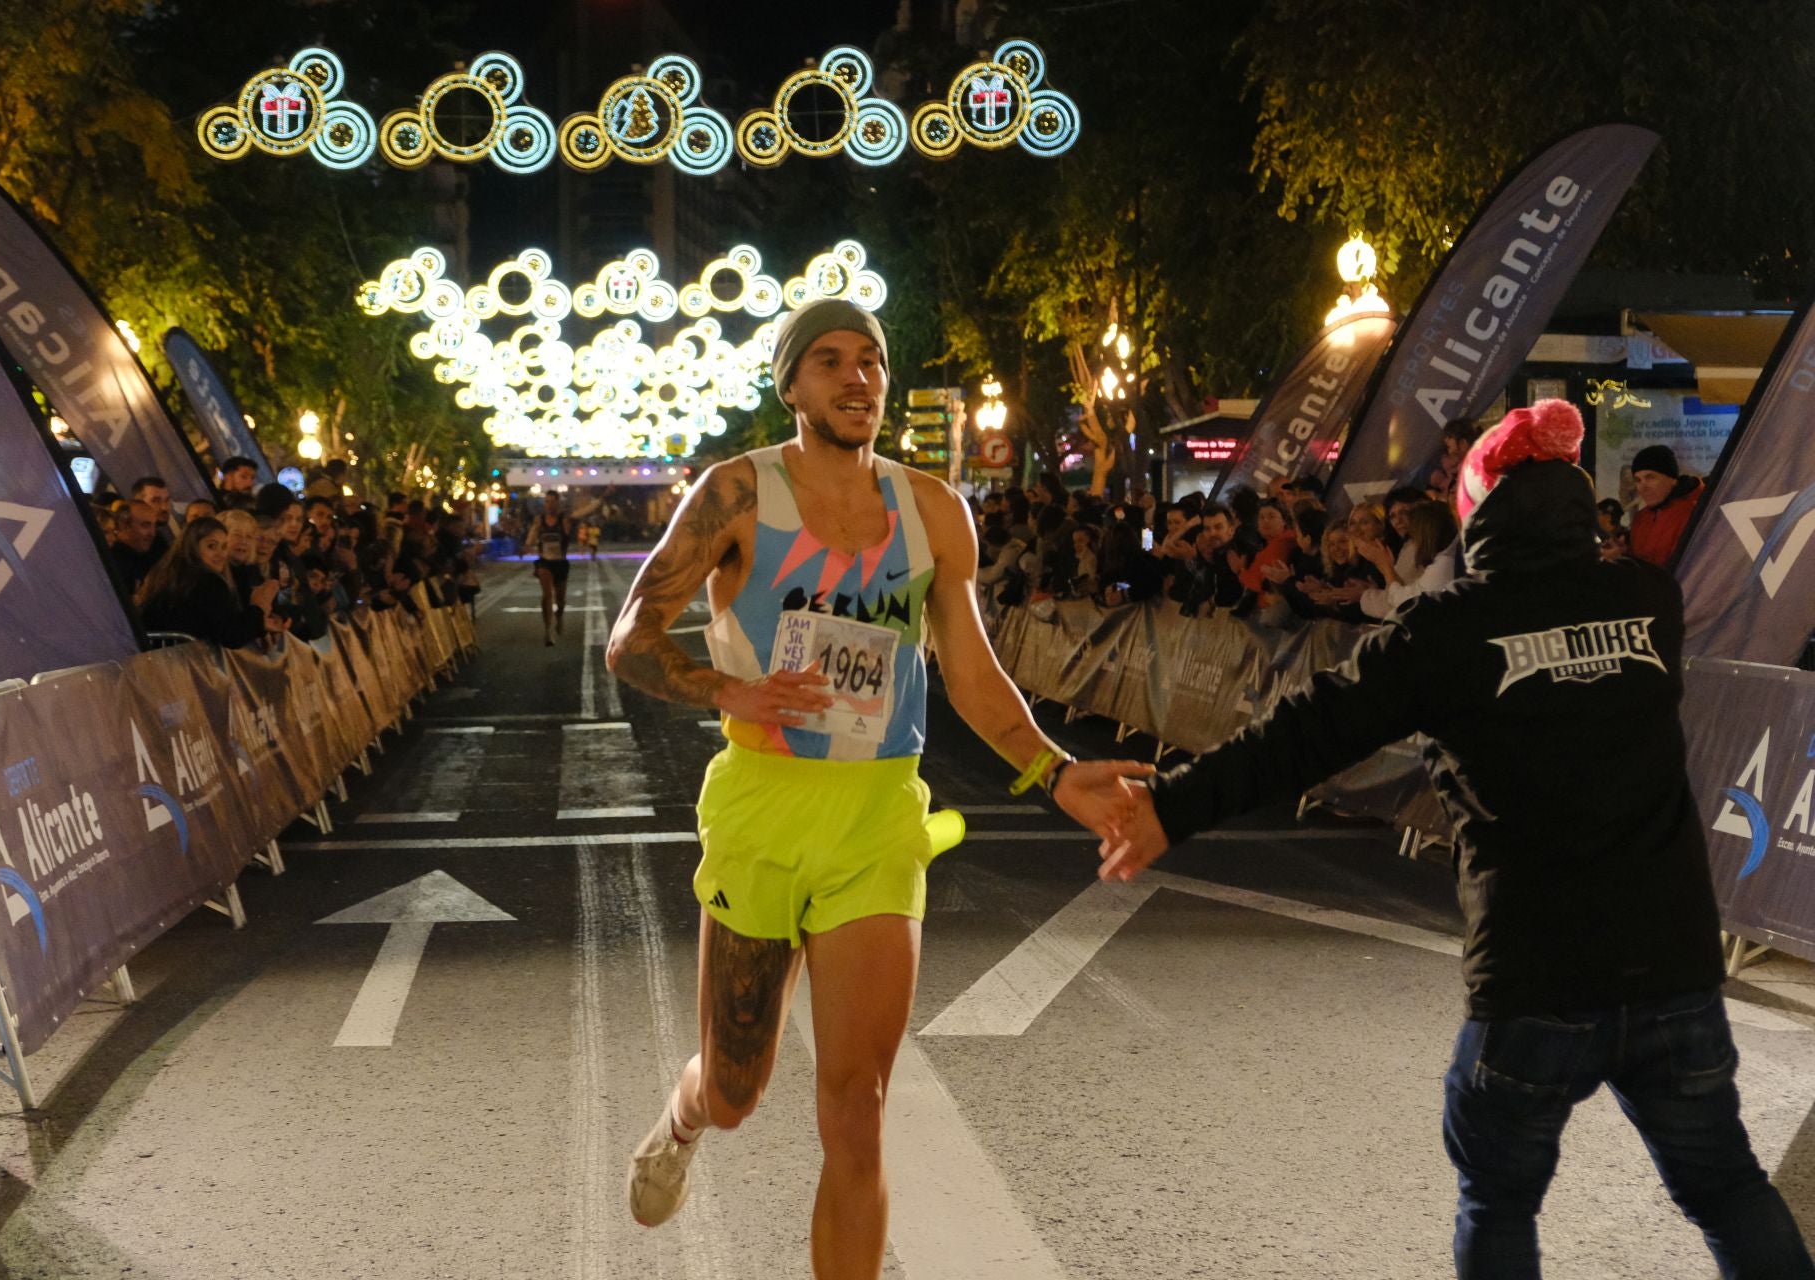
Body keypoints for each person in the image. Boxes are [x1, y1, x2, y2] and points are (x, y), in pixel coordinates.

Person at [1094, 398, 1815, 1279]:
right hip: (1671, 966)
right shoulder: (1646, 601)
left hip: (1535, 972)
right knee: (1729, 1189)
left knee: (1499, 1202)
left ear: (1479, 515)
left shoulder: (1445, 634)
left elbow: (1306, 732)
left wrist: (1174, 806)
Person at [604, 297, 1148, 1279]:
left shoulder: (933, 509)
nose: (858, 379)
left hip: (878, 816)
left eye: (871, 362)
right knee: (738, 1086)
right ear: (790, 384)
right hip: (764, 808)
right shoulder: (735, 495)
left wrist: (1055, 772)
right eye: (829, 361)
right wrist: (739, 688)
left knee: (857, 1104)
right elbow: (630, 639)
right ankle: (685, 1118)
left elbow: (972, 674)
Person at [136, 515, 277, 648]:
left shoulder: (167, 573)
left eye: (223, 547)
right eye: (211, 546)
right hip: (179, 665)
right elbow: (231, 636)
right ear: (193, 546)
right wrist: (258, 607)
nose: (220, 554)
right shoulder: (206, 582)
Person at [1626, 444, 1705, 569]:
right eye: (1638, 480)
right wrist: (1622, 555)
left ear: (1672, 479)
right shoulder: (1641, 518)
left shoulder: (1698, 513)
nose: (1642, 487)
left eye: (1650, 477)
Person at [523, 490, 575, 645]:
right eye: (546, 501)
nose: (549, 505)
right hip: (545, 562)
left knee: (560, 599)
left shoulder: (564, 520)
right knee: (547, 594)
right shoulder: (540, 520)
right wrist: (527, 545)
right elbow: (533, 533)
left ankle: (559, 616)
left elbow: (584, 511)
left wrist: (603, 497)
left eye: (552, 501)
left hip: (560, 563)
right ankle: (548, 631)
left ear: (558, 503)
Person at [105, 500, 163, 598]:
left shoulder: (154, 556)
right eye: (145, 525)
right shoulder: (114, 565)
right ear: (124, 525)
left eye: (154, 526)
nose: (152, 533)